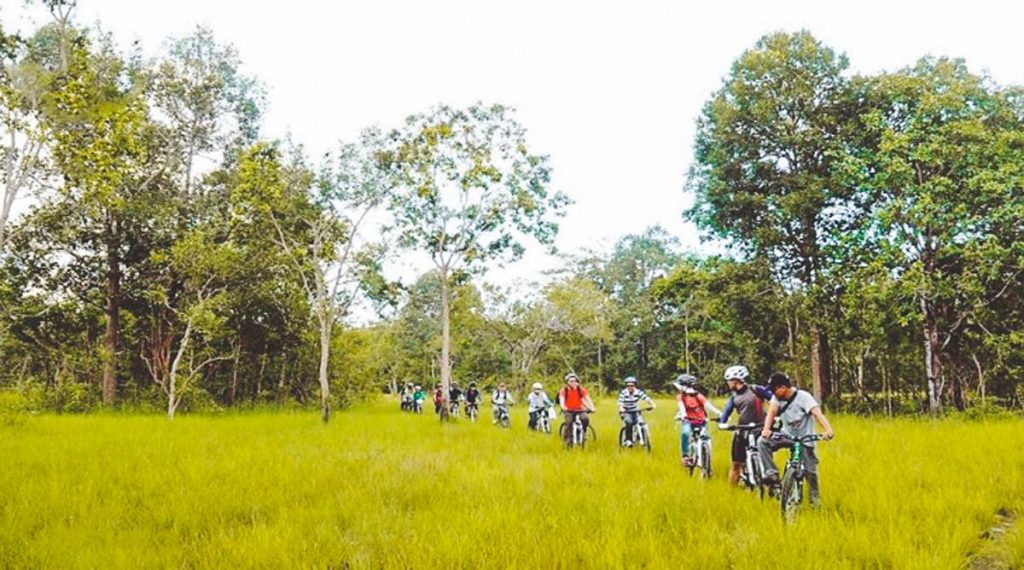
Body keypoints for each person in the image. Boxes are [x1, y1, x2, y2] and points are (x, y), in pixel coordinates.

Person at [758, 372, 835, 507]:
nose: (772, 394)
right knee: (762, 442)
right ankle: (772, 474)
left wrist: (828, 430)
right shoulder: (777, 399)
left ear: (783, 387)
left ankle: (814, 501)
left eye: (774, 390)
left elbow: (817, 414)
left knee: (810, 472)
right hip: (786, 436)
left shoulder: (803, 397)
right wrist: (766, 430)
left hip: (805, 439)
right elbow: (771, 413)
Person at [717, 365, 773, 486]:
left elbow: (773, 400)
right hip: (742, 431)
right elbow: (727, 411)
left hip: (760, 429)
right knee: (736, 463)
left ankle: (769, 483)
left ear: (736, 380)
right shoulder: (734, 397)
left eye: (729, 380)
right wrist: (722, 423)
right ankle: (730, 491)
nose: (728, 383)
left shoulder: (755, 389)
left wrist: (775, 416)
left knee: (764, 456)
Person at [674, 374, 722, 466]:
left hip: (701, 420)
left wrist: (720, 414)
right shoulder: (681, 397)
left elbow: (708, 405)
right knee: (685, 433)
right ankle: (685, 456)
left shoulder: (698, 396)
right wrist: (683, 415)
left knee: (706, 438)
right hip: (688, 420)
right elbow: (681, 407)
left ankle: (707, 460)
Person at [557, 373, 596, 444]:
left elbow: (587, 398)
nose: (573, 383)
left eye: (574, 381)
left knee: (585, 419)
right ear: (567, 382)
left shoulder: (580, 390)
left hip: (580, 409)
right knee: (569, 422)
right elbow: (562, 401)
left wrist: (592, 407)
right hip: (569, 410)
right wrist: (564, 408)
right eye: (571, 381)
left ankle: (583, 432)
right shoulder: (564, 391)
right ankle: (568, 442)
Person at [617, 376, 655, 446]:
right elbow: (620, 402)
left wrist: (652, 404)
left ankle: (643, 438)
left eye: (632, 385)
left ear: (634, 385)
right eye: (628, 386)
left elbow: (646, 398)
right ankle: (628, 440)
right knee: (629, 422)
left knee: (641, 422)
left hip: (635, 411)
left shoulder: (638, 392)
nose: (630, 387)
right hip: (626, 412)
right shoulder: (623, 393)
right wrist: (621, 408)